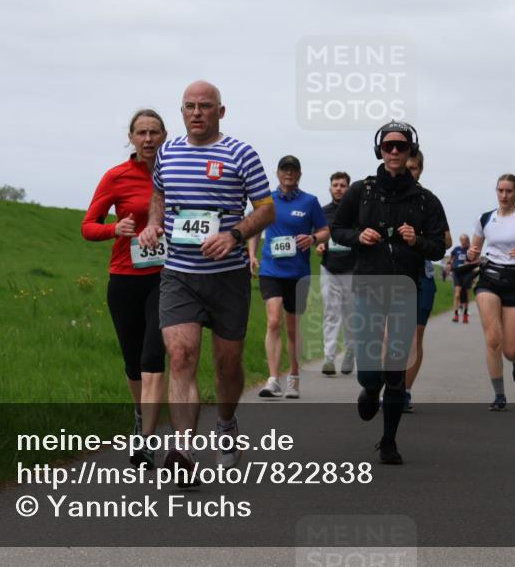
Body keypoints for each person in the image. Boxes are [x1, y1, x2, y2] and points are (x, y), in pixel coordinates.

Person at [138, 81, 275, 481]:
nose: (197, 113)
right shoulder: (168, 152)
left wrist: (233, 236)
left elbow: (265, 210)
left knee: (227, 363)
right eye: (189, 106)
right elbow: (159, 198)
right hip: (179, 275)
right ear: (181, 111)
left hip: (228, 276)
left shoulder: (241, 154)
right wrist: (152, 225)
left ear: (221, 111)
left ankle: (227, 423)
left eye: (205, 106)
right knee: (180, 357)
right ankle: (183, 452)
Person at [331, 121, 447, 464]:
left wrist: (417, 241)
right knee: (370, 370)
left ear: (411, 149)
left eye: (401, 146)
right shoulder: (360, 191)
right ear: (379, 150)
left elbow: (439, 246)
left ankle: (389, 441)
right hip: (368, 286)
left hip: (405, 290)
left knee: (396, 369)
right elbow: (337, 229)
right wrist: (358, 236)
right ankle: (369, 388)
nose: (394, 151)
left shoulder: (426, 201)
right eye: (388, 146)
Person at [81, 109, 169, 469]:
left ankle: (147, 439)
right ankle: (140, 415)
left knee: (152, 358)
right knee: (133, 363)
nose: (148, 139)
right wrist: (113, 230)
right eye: (141, 133)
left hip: (167, 278)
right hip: (124, 279)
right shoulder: (115, 176)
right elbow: (88, 226)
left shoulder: (175, 173)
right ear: (131, 138)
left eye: (154, 132)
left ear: (164, 136)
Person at [248, 155, 329, 399]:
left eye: (293, 170)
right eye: (285, 169)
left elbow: (325, 231)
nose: (289, 174)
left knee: (293, 328)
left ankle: (293, 377)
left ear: (299, 174)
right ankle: (273, 379)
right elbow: (254, 227)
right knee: (273, 321)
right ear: (278, 173)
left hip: (298, 272)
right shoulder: (266, 201)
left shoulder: (310, 202)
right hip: (271, 269)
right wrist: (252, 255)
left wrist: (313, 238)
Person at [467, 173, 515, 411]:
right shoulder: (484, 219)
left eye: (508, 191)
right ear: (496, 191)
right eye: (500, 191)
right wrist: (472, 255)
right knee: (493, 339)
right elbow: (475, 250)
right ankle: (499, 395)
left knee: (510, 349)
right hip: (489, 277)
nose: (504, 195)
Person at [403, 151, 451, 413]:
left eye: (414, 168)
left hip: (423, 276)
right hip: (392, 276)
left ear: (420, 169)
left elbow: (446, 241)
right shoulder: (385, 197)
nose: (409, 172)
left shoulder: (428, 201)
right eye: (406, 167)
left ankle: (405, 392)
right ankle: (388, 384)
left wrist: (419, 237)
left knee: (414, 338)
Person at [316, 171, 357, 376]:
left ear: (348, 188)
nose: (339, 188)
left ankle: (350, 351)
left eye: (342, 185)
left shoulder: (356, 212)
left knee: (350, 315)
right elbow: (319, 237)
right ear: (330, 188)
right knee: (331, 313)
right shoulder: (323, 213)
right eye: (335, 185)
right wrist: (320, 245)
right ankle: (329, 358)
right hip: (329, 268)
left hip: (351, 269)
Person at [449, 235, 477, 323]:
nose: (463, 241)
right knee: (457, 294)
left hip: (467, 273)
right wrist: (450, 264)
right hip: (457, 272)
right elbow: (451, 258)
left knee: (466, 294)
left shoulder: (470, 250)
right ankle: (456, 315)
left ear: (467, 240)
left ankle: (465, 315)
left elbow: (477, 260)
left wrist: (469, 263)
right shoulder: (456, 249)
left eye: (464, 240)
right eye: (461, 240)